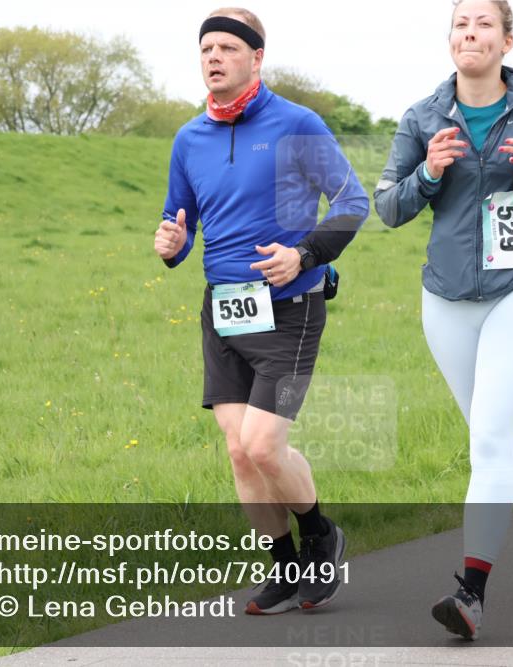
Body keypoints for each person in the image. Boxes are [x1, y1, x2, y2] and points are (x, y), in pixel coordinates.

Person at [373, 0, 513, 641]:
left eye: (482, 24)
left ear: (506, 41)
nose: (468, 32)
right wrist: (429, 171)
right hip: (446, 298)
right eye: (459, 24)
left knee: (488, 437)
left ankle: (470, 592)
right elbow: (387, 207)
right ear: (449, 40)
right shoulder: (423, 117)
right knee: (489, 430)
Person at [154, 7, 369, 615]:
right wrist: (172, 245)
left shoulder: (297, 124)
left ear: (256, 57)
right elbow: (181, 221)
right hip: (224, 311)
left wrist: (304, 255)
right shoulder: (188, 137)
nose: (214, 57)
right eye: (206, 49)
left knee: (264, 445)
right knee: (237, 448)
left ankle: (322, 533)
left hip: (290, 309)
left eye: (227, 47)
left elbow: (353, 202)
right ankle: (285, 565)